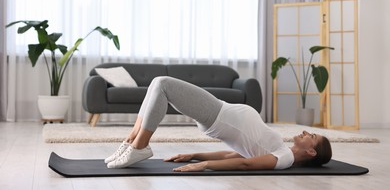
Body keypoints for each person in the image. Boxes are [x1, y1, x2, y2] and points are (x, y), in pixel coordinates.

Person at [105, 76, 332, 171]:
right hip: (218, 112)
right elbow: (234, 156)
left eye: (311, 136)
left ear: (311, 151)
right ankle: (131, 141)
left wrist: (204, 166)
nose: (305, 132)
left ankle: (140, 146)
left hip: (218, 114)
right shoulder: (282, 150)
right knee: (157, 82)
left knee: (163, 84)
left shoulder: (285, 158)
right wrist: (194, 155)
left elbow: (247, 166)